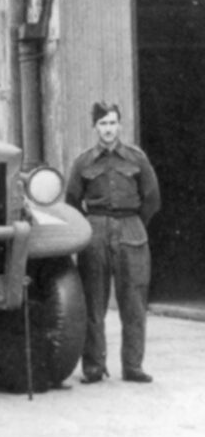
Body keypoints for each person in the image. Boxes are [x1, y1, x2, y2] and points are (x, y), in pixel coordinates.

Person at [65, 101, 161, 384]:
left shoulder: (136, 158)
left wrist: (134, 223)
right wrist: (92, 227)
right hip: (95, 230)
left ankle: (133, 366)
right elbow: (71, 200)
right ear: (95, 127)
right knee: (93, 302)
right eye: (103, 123)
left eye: (112, 122)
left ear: (120, 125)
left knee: (133, 302)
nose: (108, 129)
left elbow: (152, 198)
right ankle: (94, 367)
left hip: (131, 229)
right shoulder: (83, 162)